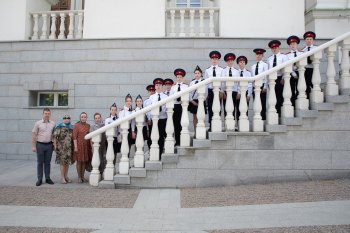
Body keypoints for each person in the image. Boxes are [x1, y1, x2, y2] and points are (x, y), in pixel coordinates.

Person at [32, 108, 55, 186]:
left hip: (49, 145)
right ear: (43, 114)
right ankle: (39, 179)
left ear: (50, 114)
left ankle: (48, 178)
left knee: (48, 163)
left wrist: (54, 145)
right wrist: (33, 146)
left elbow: (54, 135)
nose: (47, 115)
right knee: (40, 163)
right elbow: (34, 135)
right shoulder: (38, 123)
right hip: (40, 145)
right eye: (45, 113)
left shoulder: (52, 123)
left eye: (48, 113)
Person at [267, 40, 288, 116]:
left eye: (276, 47)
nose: (274, 49)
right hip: (272, 80)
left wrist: (283, 78)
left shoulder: (283, 56)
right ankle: (275, 112)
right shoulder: (269, 59)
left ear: (278, 48)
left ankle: (280, 113)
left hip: (280, 78)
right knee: (273, 96)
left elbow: (286, 68)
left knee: (280, 96)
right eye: (273, 48)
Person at [204, 50, 223, 131]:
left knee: (218, 108)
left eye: (216, 59)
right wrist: (206, 94)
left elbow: (223, 82)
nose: (214, 60)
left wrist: (221, 91)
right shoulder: (207, 70)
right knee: (211, 108)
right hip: (210, 91)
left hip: (218, 91)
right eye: (213, 59)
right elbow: (205, 83)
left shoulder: (221, 70)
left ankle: (218, 125)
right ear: (211, 60)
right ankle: (211, 126)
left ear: (218, 60)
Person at [149, 78, 167, 158]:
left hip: (163, 118)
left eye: (160, 85)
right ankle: (154, 152)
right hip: (154, 119)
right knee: (154, 135)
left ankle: (160, 153)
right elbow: (149, 109)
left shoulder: (166, 96)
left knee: (161, 136)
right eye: (157, 85)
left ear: (162, 86)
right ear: (155, 87)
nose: (158, 86)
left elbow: (167, 108)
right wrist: (150, 118)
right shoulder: (152, 97)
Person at [53, 114, 74, 184]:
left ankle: (66, 176)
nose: (66, 119)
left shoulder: (71, 127)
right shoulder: (59, 126)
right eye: (65, 118)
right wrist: (55, 145)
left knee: (67, 163)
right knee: (62, 163)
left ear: (70, 119)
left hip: (69, 148)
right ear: (63, 119)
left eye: (68, 118)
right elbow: (55, 136)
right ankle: (62, 177)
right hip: (61, 148)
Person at [170, 68, 188, 146]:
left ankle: (183, 141)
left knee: (183, 124)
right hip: (175, 106)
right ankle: (177, 141)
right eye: (178, 77)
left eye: (180, 77)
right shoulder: (173, 87)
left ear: (183, 78)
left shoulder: (186, 86)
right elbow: (170, 97)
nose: (179, 78)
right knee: (176, 124)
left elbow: (188, 96)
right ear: (176, 78)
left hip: (182, 106)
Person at [73, 112, 92, 183]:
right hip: (79, 145)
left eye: (85, 117)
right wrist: (75, 147)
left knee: (84, 161)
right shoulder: (76, 125)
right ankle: (79, 177)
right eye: (82, 117)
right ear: (80, 118)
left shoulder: (88, 126)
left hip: (86, 146)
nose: (83, 118)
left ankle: (83, 176)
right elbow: (74, 137)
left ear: (86, 118)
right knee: (79, 162)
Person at [233, 56, 253, 124]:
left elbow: (250, 85)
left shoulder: (248, 73)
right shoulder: (236, 72)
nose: (242, 63)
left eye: (243, 62)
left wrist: (249, 95)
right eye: (240, 62)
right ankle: (238, 124)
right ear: (238, 63)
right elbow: (236, 83)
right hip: (238, 93)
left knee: (245, 108)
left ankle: (244, 123)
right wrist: (238, 92)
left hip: (246, 92)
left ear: (245, 63)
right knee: (238, 108)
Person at [251, 48, 269, 120]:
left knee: (262, 102)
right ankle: (257, 117)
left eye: (260, 55)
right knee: (256, 102)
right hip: (255, 87)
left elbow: (266, 76)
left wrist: (265, 86)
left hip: (262, 86)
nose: (258, 56)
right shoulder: (253, 66)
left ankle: (263, 118)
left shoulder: (265, 65)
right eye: (257, 55)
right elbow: (252, 78)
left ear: (262, 56)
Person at [286, 35, 304, 107]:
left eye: (294, 44)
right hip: (291, 73)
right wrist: (293, 74)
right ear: (289, 45)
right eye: (291, 44)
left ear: (297, 44)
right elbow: (287, 66)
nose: (293, 45)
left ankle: (300, 104)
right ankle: (293, 104)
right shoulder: (287, 55)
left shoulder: (301, 53)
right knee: (292, 89)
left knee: (301, 89)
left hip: (301, 72)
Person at [188, 65, 206, 131]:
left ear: (201, 74)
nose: (197, 74)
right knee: (195, 117)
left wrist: (201, 101)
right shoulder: (192, 82)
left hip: (201, 100)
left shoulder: (204, 81)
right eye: (195, 73)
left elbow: (206, 93)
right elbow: (189, 93)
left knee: (201, 117)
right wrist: (192, 101)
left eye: (198, 73)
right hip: (194, 101)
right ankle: (196, 131)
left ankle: (202, 131)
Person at [302, 31, 317, 99]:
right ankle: (308, 96)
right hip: (306, 69)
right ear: (305, 40)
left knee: (313, 82)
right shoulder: (303, 50)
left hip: (313, 68)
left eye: (310, 39)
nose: (309, 41)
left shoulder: (316, 48)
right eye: (307, 39)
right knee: (306, 84)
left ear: (313, 40)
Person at [222, 52, 237, 117]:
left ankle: (233, 125)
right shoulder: (223, 71)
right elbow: (222, 82)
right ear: (226, 62)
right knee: (226, 108)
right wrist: (223, 92)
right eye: (228, 61)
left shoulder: (236, 71)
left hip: (234, 91)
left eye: (231, 60)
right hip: (226, 92)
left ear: (233, 61)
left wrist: (238, 92)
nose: (230, 62)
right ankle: (227, 125)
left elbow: (238, 83)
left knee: (234, 108)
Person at [144, 84, 155, 149]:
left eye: (153, 91)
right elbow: (145, 112)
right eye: (150, 91)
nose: (151, 92)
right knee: (150, 135)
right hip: (149, 121)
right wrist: (148, 119)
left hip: (156, 119)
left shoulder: (156, 100)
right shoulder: (146, 101)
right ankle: (150, 148)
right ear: (148, 92)